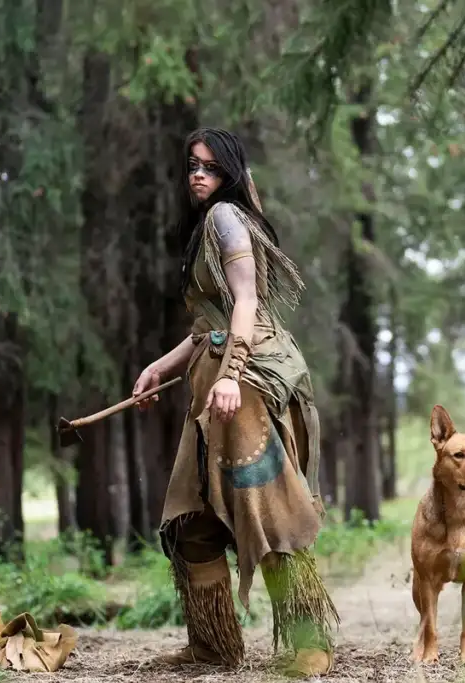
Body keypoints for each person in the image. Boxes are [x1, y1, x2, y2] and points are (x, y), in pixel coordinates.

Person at [131, 128, 339, 677]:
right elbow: (210, 327)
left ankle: (308, 643)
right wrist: (160, 367)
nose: (198, 174)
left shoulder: (226, 218)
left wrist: (233, 374)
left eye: (210, 167)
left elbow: (247, 302)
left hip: (248, 387)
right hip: (216, 388)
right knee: (191, 518)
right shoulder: (207, 226)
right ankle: (214, 646)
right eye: (192, 165)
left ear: (230, 173)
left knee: (264, 511)